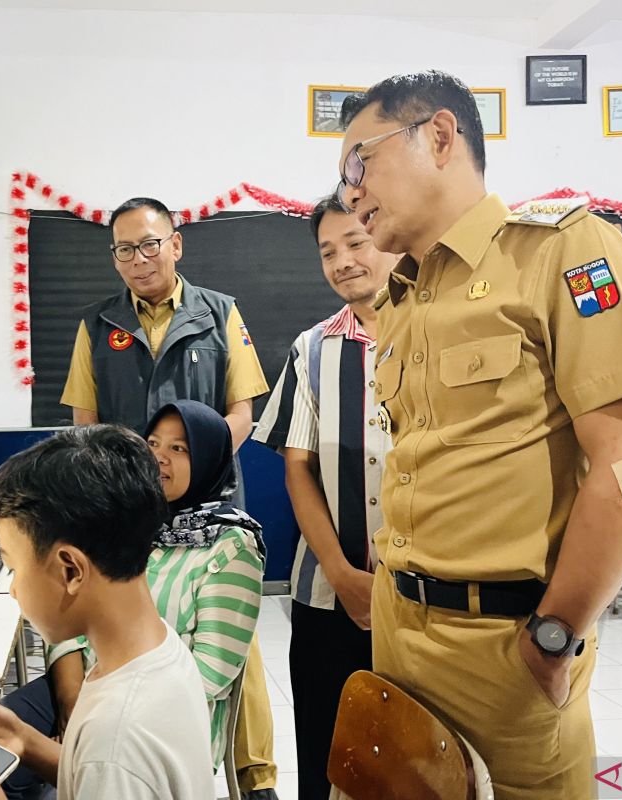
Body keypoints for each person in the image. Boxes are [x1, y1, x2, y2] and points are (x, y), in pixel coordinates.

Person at [336, 70, 622, 799]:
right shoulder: (404, 298)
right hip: (399, 629)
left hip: (509, 647)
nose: (349, 191)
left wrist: (556, 634)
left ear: (441, 136)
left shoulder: (561, 253)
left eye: (361, 161)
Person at [59, 196, 279, 797]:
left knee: (230, 633)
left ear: (176, 245)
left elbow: (242, 412)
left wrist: (197, 465)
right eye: (125, 249)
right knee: (131, 614)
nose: (139, 258)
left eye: (150, 244)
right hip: (130, 507)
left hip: (208, 501)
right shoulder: (97, 326)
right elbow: (85, 423)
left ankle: (254, 775)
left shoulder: (221, 314)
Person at [0, 425, 215, 800]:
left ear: (70, 570)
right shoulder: (157, 648)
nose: (14, 589)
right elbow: (95, 778)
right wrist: (26, 740)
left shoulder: (118, 736)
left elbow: (108, 765)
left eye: (14, 569)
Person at [0, 400, 266, 797]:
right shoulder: (157, 644)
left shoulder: (228, 546)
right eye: (153, 443)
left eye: (179, 448)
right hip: (105, 687)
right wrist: (31, 734)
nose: (159, 457)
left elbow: (113, 756)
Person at [253, 192, 399, 800]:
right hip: (325, 591)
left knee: (409, 758)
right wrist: (340, 573)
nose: (343, 262)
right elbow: (298, 470)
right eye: (328, 252)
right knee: (326, 750)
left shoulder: (435, 331)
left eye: (356, 244)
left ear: (388, 239)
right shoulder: (312, 350)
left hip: (422, 593)